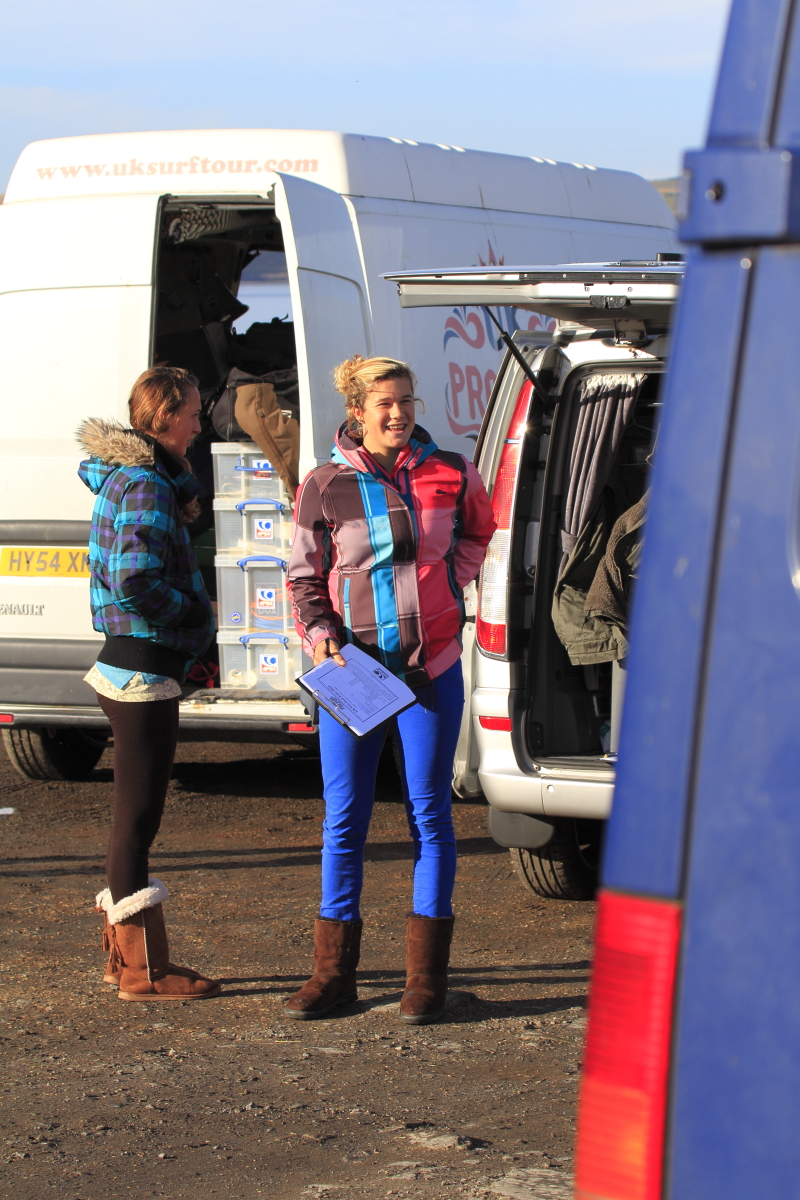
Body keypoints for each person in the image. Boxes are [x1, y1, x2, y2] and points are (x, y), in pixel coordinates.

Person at [286, 355, 496, 1025]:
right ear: (358, 411)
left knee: (429, 814)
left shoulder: (452, 471)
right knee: (344, 817)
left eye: (406, 400)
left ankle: (425, 980)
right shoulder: (324, 484)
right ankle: (332, 976)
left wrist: (451, 584)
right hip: (353, 674)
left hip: (430, 667)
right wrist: (322, 634)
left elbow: (480, 531)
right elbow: (302, 576)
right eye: (385, 403)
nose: (400, 412)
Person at [77, 366, 220, 1002]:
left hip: (130, 664)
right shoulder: (147, 483)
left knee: (132, 820)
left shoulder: (133, 475)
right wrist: (190, 613)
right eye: (192, 413)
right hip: (141, 669)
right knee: (136, 822)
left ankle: (124, 962)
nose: (199, 424)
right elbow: (133, 578)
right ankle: (143, 972)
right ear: (164, 418)